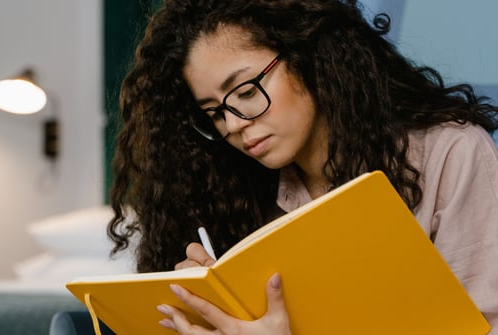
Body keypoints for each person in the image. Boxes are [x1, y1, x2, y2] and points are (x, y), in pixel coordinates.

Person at [107, 0, 498, 334]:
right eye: (214, 113)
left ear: (308, 56)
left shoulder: (451, 154)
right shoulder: (234, 193)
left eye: (246, 91)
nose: (235, 124)